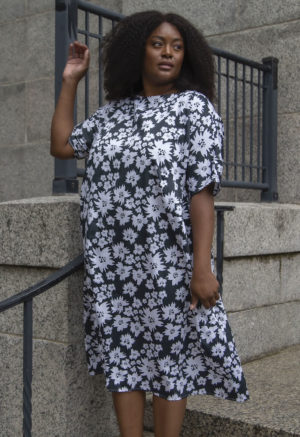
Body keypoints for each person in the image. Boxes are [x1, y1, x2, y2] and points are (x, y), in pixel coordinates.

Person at [51, 10, 249, 437]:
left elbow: (202, 192)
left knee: (168, 359)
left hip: (167, 261)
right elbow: (63, 146)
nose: (168, 53)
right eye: (158, 43)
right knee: (123, 357)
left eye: (177, 47)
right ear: (137, 50)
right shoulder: (113, 113)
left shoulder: (194, 108)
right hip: (112, 263)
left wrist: (201, 266)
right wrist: (71, 80)